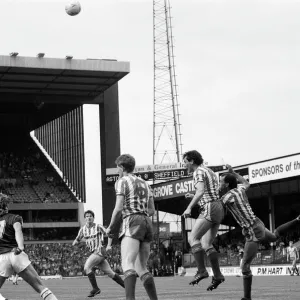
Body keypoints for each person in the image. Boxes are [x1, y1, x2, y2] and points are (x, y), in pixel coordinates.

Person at [220, 165, 300, 300]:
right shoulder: (239, 189)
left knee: (245, 266)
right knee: (274, 236)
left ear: (227, 184)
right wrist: (233, 173)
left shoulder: (228, 197)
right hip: (258, 223)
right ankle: (297, 220)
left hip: (253, 229)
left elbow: (215, 206)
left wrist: (198, 197)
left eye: (221, 182)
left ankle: (247, 298)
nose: (219, 184)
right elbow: (246, 183)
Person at [106, 154, 158, 300]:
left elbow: (118, 208)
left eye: (117, 167)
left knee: (127, 263)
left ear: (122, 167)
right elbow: (152, 210)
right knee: (142, 267)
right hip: (147, 221)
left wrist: (110, 227)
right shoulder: (145, 183)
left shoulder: (122, 181)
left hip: (132, 220)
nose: (117, 171)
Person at [0, 193, 59, 300]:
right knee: (41, 288)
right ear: (5, 206)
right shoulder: (14, 218)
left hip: (1, 258)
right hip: (16, 254)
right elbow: (18, 231)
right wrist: (21, 246)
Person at [182, 150, 225, 290]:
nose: (184, 165)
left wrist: (189, 207)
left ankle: (201, 271)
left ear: (192, 161)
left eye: (185, 162)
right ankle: (217, 275)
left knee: (192, 239)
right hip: (218, 207)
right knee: (206, 243)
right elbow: (209, 191)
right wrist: (193, 195)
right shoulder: (209, 171)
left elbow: (201, 192)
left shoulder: (197, 172)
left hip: (210, 207)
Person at [72, 210, 124, 298]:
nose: (89, 217)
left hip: (100, 251)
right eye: (87, 216)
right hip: (94, 253)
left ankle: (95, 288)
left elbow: (109, 234)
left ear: (93, 218)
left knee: (87, 267)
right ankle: (128, 287)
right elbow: (76, 240)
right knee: (110, 273)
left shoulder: (98, 226)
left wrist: (109, 246)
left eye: (90, 216)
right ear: (85, 218)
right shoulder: (82, 230)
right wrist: (76, 244)